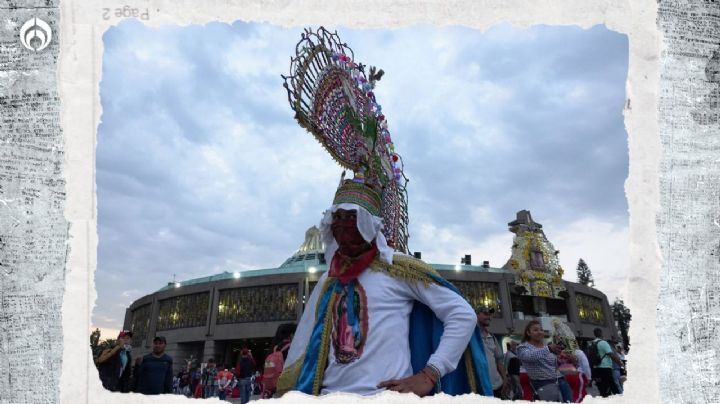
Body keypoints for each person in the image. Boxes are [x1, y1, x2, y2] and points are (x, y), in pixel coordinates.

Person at [276, 181, 493, 397]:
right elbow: (307, 346)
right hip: (329, 396)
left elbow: (462, 314)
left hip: (386, 396)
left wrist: (430, 373)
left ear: (369, 224)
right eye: (338, 217)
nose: (344, 225)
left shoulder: (397, 269)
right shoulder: (329, 280)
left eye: (353, 217)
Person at [516, 320, 572, 402]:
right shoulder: (523, 347)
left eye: (541, 330)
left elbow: (554, 364)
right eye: (535, 330)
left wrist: (560, 359)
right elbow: (529, 356)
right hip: (543, 383)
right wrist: (549, 349)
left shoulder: (546, 346)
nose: (540, 332)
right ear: (528, 333)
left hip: (559, 380)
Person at [476, 304, 509, 398]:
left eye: (490, 315)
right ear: (476, 315)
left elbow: (499, 361)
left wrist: (505, 379)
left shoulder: (492, 337)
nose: (489, 317)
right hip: (480, 387)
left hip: (497, 385)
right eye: (485, 314)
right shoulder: (471, 337)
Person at [590, 328, 624, 397]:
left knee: (603, 389)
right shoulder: (603, 343)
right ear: (601, 333)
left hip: (596, 368)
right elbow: (611, 355)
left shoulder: (592, 344)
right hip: (605, 368)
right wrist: (621, 364)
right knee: (614, 388)